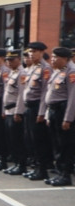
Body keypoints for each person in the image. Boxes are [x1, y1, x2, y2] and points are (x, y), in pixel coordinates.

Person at [17, 41, 53, 180]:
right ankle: (36, 167)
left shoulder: (46, 69)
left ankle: (42, 170)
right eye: (30, 52)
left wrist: (42, 112)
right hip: (29, 107)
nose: (31, 54)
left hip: (37, 107)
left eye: (34, 51)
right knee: (30, 139)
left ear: (41, 52)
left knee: (39, 140)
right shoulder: (31, 68)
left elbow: (45, 92)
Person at [41, 47, 75, 186]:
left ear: (65, 58)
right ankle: (59, 173)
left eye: (56, 57)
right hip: (54, 110)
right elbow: (51, 94)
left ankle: (65, 175)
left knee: (64, 145)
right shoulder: (58, 71)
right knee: (56, 144)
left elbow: (73, 97)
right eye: (53, 57)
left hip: (63, 110)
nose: (53, 60)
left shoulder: (71, 71)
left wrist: (68, 118)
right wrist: (48, 115)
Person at [3, 50, 27, 175]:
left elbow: (21, 94)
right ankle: (16, 163)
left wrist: (18, 112)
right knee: (11, 139)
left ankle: (21, 165)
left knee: (18, 140)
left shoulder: (22, 73)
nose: (9, 62)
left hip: (15, 110)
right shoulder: (12, 72)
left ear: (19, 59)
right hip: (8, 110)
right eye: (7, 60)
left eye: (12, 60)